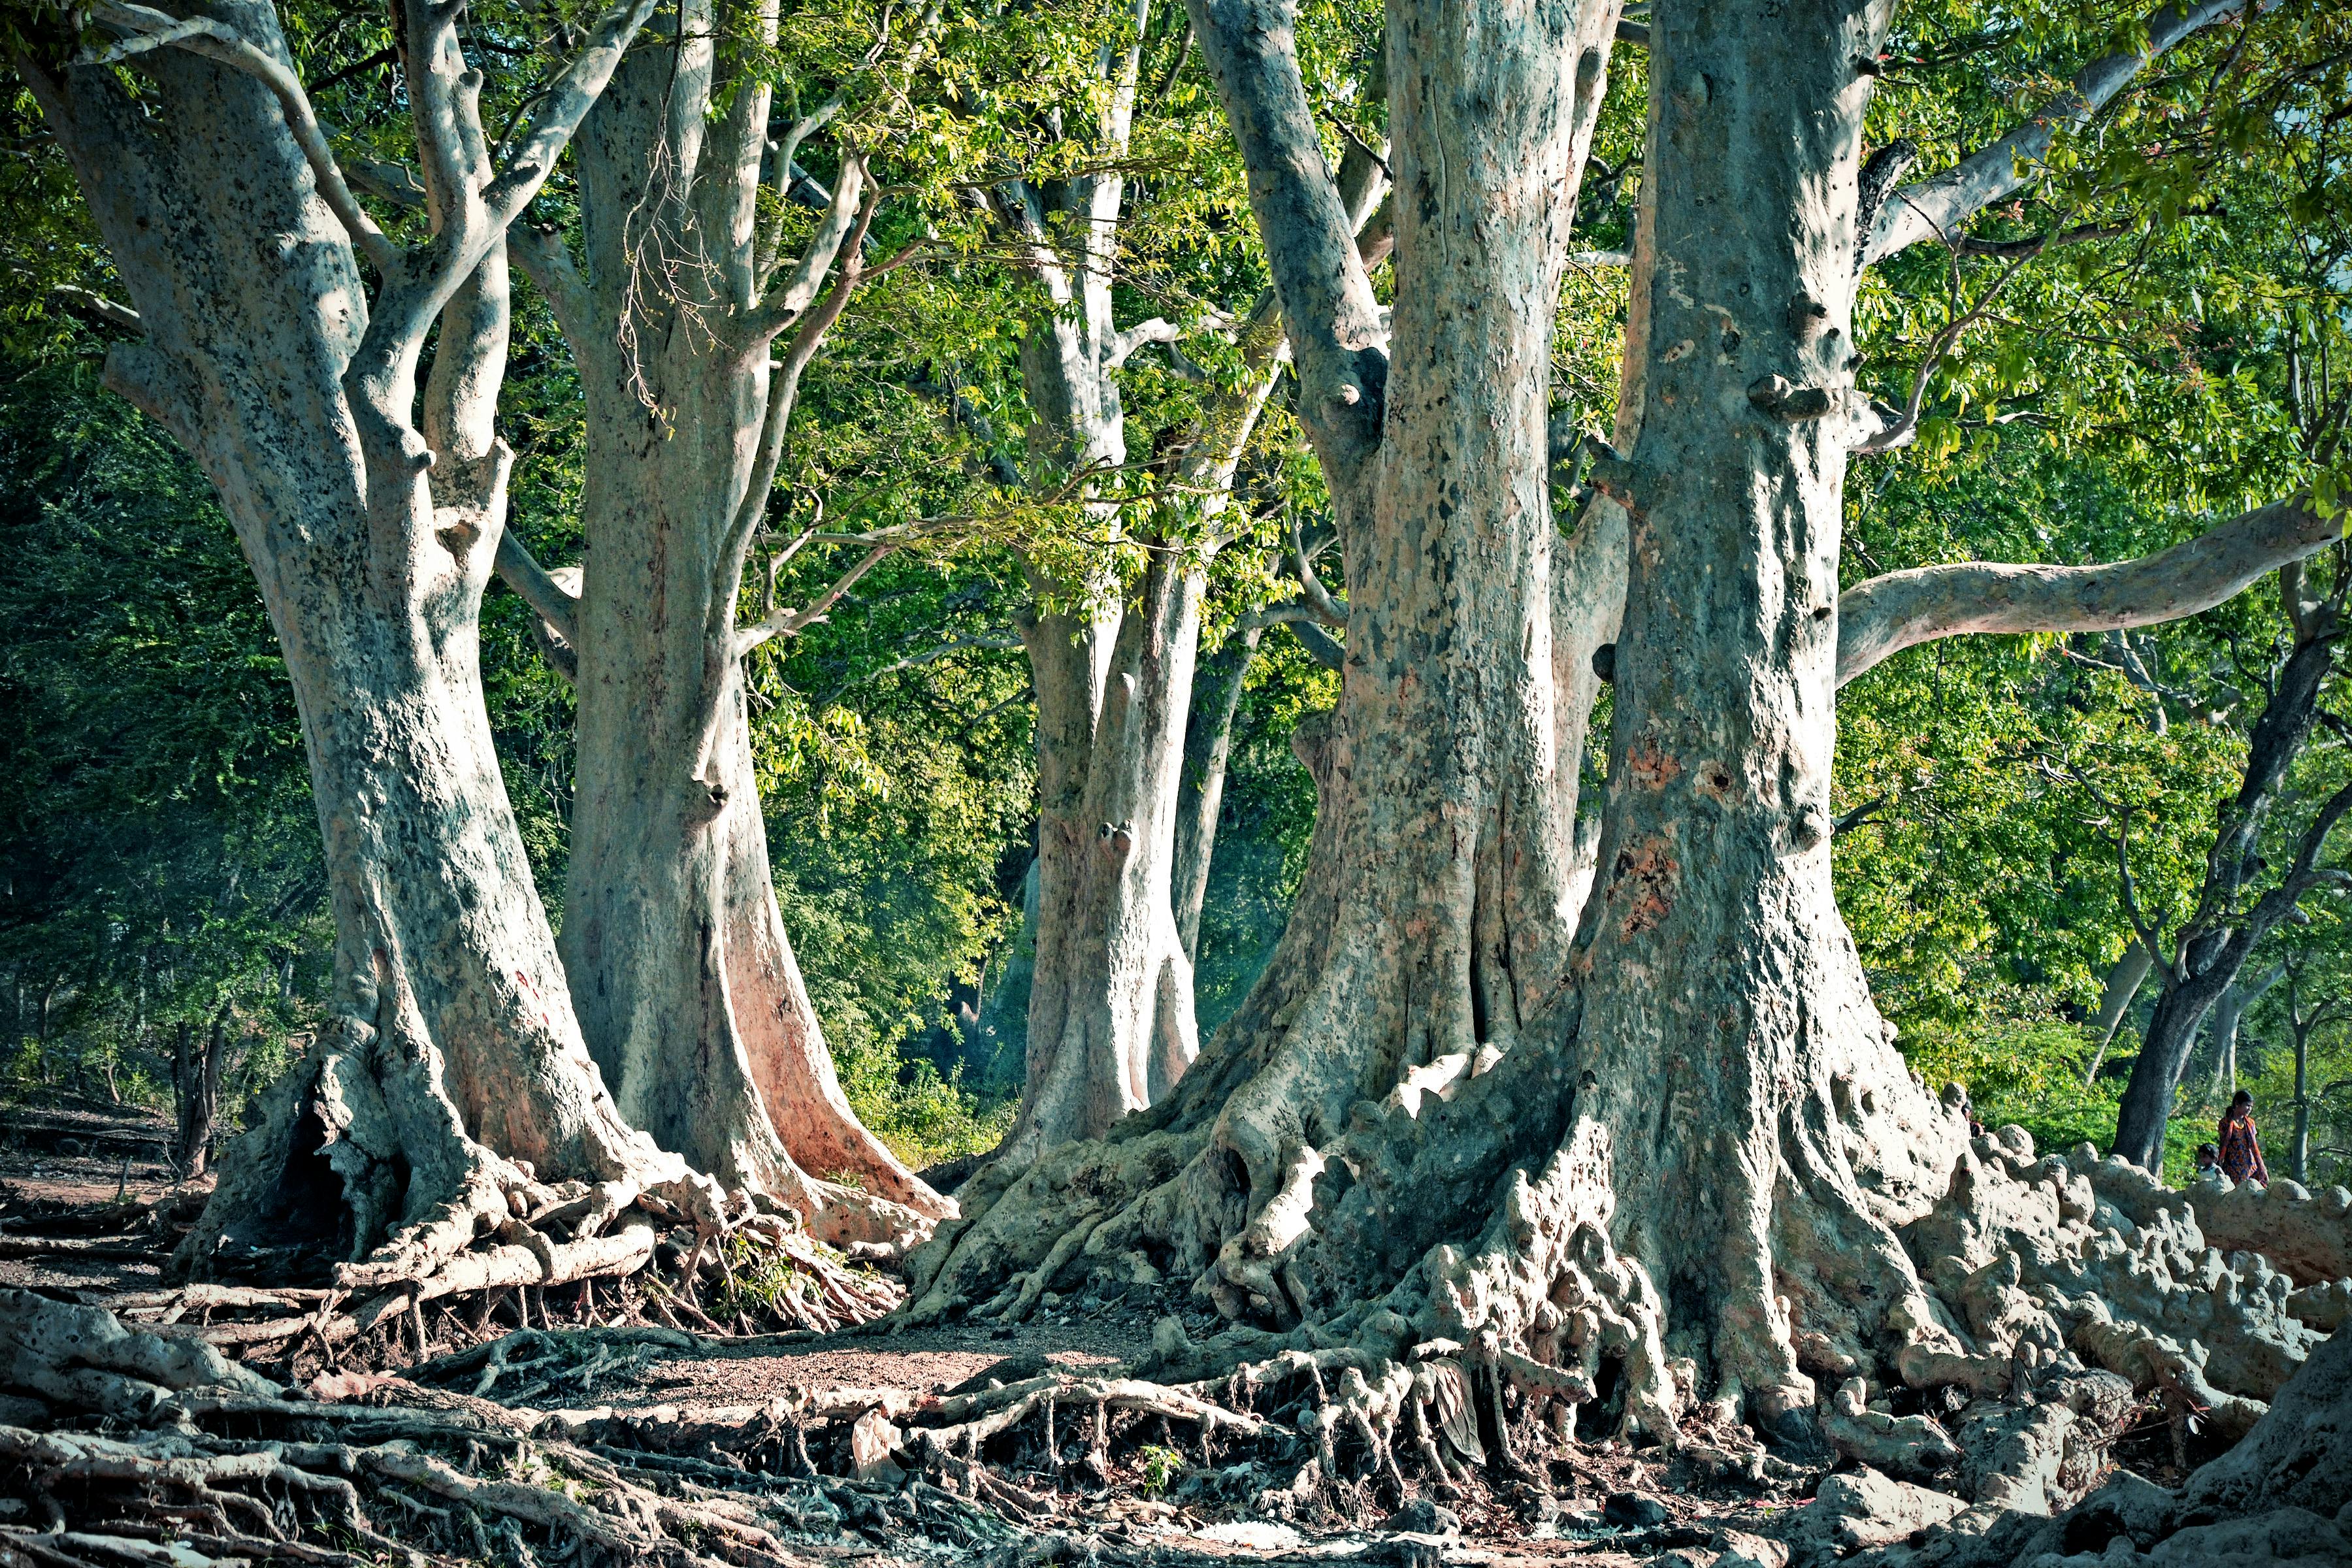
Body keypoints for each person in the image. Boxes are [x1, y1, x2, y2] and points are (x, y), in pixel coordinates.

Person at [2217, 1090, 2268, 1186]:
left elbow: (2254, 1146)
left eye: (2251, 1106)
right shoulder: (2225, 1123)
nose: (2250, 1109)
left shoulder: (2250, 1123)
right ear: (2237, 1104)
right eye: (2247, 1105)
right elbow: (2223, 1145)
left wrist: (2262, 1166)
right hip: (2232, 1166)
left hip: (2250, 1166)